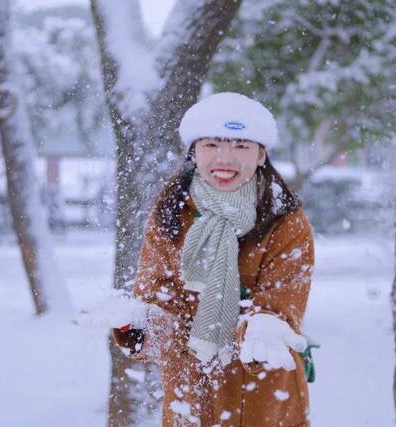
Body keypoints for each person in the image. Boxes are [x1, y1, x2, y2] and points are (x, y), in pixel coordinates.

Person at [112, 92, 315, 426]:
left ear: (261, 154)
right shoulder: (170, 216)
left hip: (263, 390)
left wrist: (264, 327)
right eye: (212, 145)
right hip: (190, 393)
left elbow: (284, 301)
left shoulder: (285, 221)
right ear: (193, 152)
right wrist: (138, 324)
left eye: (241, 146)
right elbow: (160, 301)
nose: (226, 159)